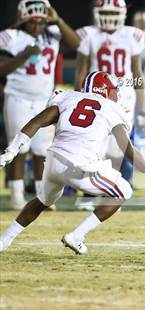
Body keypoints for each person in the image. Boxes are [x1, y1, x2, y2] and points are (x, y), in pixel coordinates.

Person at [0, 71, 145, 254]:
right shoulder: (112, 109)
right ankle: (77, 236)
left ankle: (4, 241)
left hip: (52, 162)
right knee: (124, 190)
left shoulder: (66, 97)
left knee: (43, 200)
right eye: (114, 90)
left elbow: (37, 121)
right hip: (78, 166)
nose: (117, 94)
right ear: (105, 90)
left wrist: (11, 151)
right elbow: (128, 149)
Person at [0, 0, 80, 209]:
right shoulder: (11, 37)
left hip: (44, 98)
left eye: (40, 22)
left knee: (42, 149)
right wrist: (25, 55)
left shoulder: (51, 34)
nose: (37, 26)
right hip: (18, 96)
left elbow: (76, 43)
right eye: (32, 22)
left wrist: (58, 20)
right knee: (19, 145)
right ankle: (17, 194)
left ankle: (41, 194)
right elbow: (1, 69)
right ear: (23, 19)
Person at [74, 0, 145, 185]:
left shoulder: (132, 35)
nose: (109, 18)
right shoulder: (88, 34)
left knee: (117, 149)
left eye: (114, 13)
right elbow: (81, 71)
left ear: (122, 14)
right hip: (97, 96)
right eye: (106, 13)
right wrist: (77, 99)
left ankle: (108, 190)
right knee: (94, 146)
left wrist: (142, 108)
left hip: (124, 98)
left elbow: (137, 73)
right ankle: (90, 190)